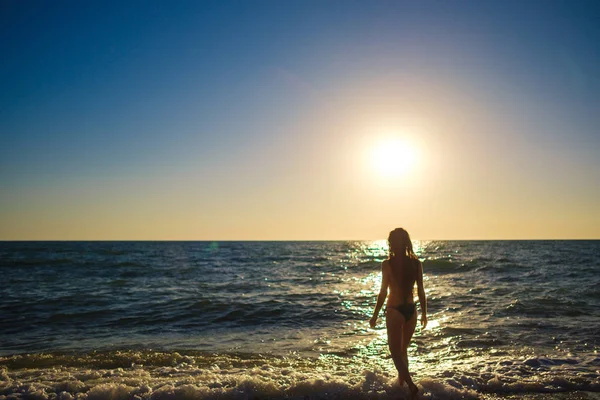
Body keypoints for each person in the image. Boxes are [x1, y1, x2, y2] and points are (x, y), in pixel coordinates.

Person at [369, 228, 427, 398]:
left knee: (395, 352)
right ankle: (403, 387)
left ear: (391, 243)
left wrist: (374, 315)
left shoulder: (387, 264)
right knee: (403, 351)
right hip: (411, 310)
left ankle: (410, 385)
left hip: (394, 310)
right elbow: (421, 291)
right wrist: (424, 313)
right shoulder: (416, 263)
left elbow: (383, 292)